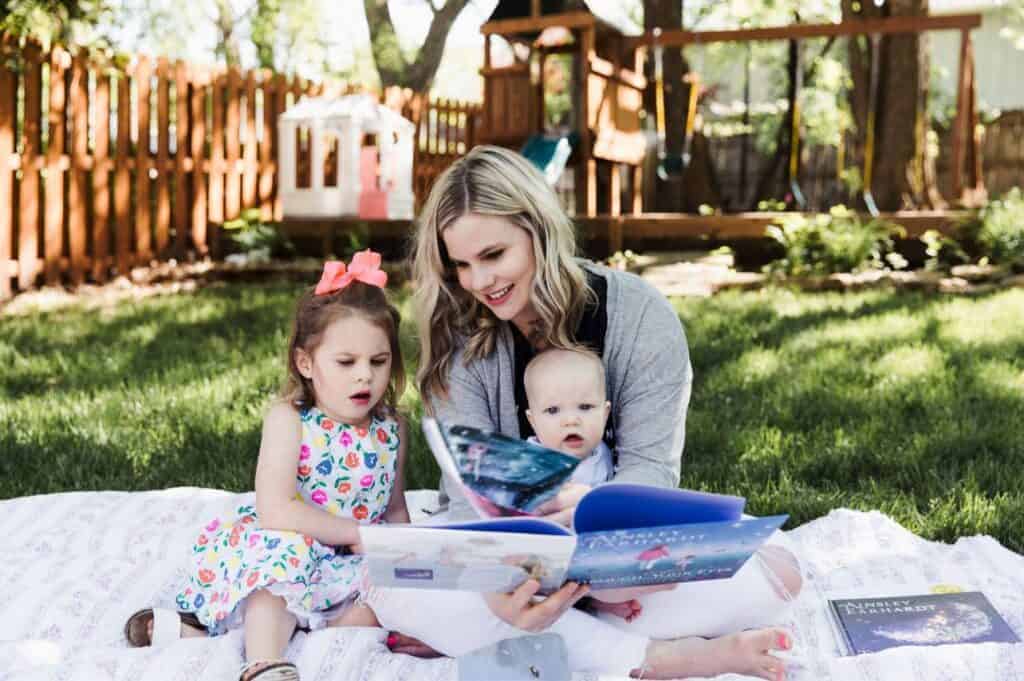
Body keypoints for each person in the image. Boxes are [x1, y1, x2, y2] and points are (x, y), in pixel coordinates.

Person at [365, 145, 802, 681]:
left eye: (494, 255)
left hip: (626, 572)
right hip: (513, 570)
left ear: (538, 231)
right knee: (384, 584)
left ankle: (552, 637)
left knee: (779, 576)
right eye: (460, 264)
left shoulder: (642, 318)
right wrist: (500, 595)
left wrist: (589, 524)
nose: (478, 282)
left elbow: (651, 474)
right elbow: (467, 504)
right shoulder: (463, 337)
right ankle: (657, 658)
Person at [124, 251, 411, 681]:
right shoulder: (291, 419)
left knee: (397, 596)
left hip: (353, 564)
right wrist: (356, 533)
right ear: (306, 363)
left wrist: (407, 554)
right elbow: (276, 509)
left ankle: (308, 630)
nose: (364, 377)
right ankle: (264, 661)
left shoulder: (393, 428)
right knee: (274, 584)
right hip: (295, 545)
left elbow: (393, 510)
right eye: (346, 362)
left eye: (379, 361)